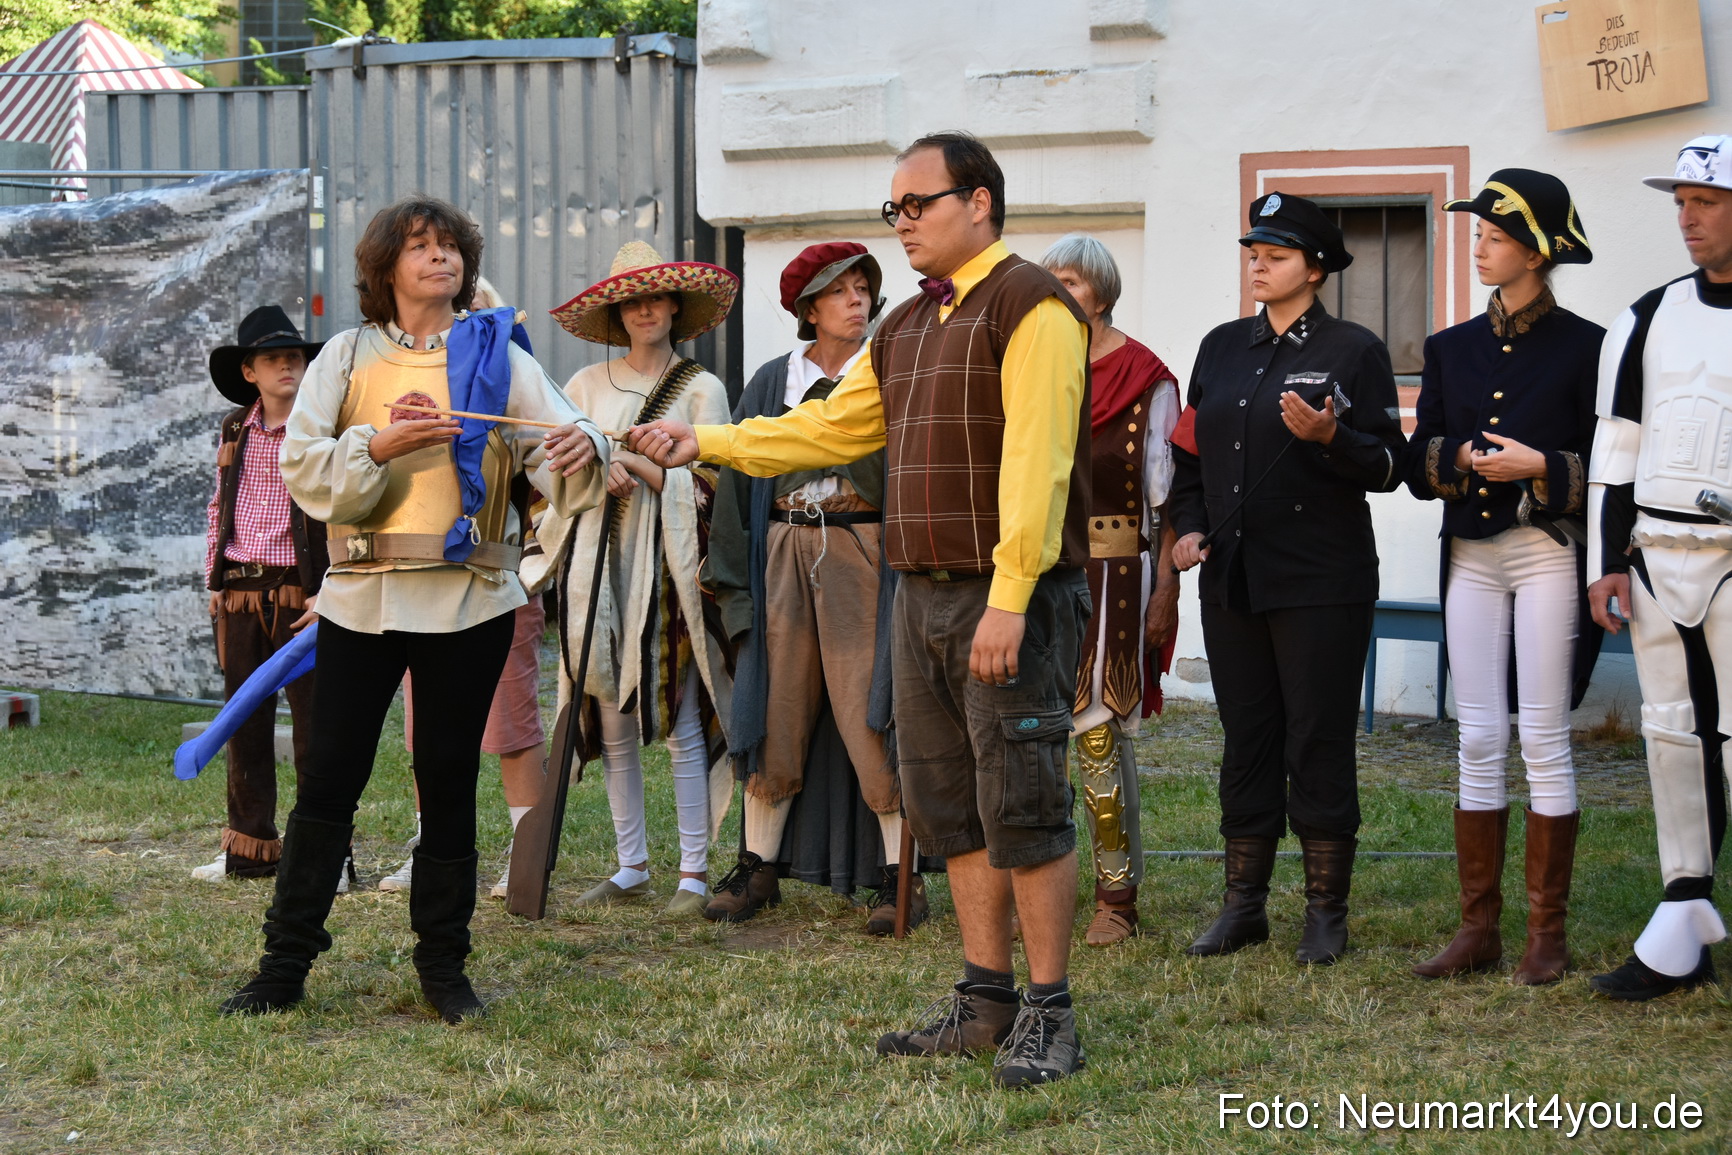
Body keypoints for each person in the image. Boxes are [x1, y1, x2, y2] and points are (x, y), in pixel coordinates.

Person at [629, 130, 1094, 1088]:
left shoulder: (1032, 307)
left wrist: (1010, 600)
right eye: (895, 209)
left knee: (1025, 802)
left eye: (916, 205)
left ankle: (1050, 1010)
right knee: (949, 802)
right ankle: (985, 995)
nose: (902, 225)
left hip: (1008, 598)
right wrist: (703, 441)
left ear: (979, 203)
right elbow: (827, 426)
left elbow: (1041, 466)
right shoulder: (910, 329)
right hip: (915, 595)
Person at [220, 197, 605, 1023]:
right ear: (385, 267)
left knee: (448, 778)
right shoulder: (348, 356)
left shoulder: (495, 352)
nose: (441, 258)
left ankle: (443, 968)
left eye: (449, 247)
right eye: (420, 247)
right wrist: (380, 446)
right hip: (362, 600)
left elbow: (565, 439)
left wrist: (587, 446)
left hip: (470, 600)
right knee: (329, 780)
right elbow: (305, 464)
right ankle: (283, 965)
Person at [1170, 191, 1405, 966]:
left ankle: (1325, 911)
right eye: (1252, 252)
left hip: (1320, 579)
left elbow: (1389, 466)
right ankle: (1244, 906)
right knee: (1248, 738)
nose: (1257, 264)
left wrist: (1333, 434)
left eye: (1274, 253)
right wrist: (1188, 526)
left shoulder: (1354, 350)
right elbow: (1190, 455)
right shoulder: (1221, 346)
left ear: (1316, 266)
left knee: (1318, 737)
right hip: (1233, 576)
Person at [1405, 170, 1603, 985]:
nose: (1477, 246)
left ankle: (1545, 935)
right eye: (1478, 233)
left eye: (1491, 235)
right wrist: (1459, 458)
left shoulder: (1591, 345)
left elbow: (1612, 465)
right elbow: (1422, 462)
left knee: (1544, 735)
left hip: (1547, 549)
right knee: (1479, 735)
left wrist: (1540, 465)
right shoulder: (1450, 347)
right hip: (1472, 556)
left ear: (1535, 249)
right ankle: (1478, 928)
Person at [704, 241, 924, 933]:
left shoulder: (887, 374)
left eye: (864, 288)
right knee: (775, 706)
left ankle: (900, 878)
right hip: (781, 548)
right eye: (840, 291)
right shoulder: (773, 381)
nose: (857, 300)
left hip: (861, 549)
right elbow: (738, 492)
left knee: (871, 705)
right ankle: (757, 866)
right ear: (809, 309)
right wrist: (737, 593)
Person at [532, 241, 737, 918]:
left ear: (675, 305)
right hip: (601, 571)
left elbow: (714, 485)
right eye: (632, 300)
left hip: (671, 575)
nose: (646, 309)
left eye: (657, 297)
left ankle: (693, 872)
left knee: (678, 716)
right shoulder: (585, 386)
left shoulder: (702, 388)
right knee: (611, 716)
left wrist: (640, 467)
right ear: (617, 313)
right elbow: (553, 469)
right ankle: (631, 865)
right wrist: (595, 468)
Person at [1585, 135, 1732, 1000]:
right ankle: (1684, 915)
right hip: (1654, 557)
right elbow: (1617, 450)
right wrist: (1607, 560)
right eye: (1680, 200)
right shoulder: (1646, 314)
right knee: (1672, 734)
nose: (1687, 217)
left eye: (1704, 201)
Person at [381, 277, 551, 902]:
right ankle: (431, 848)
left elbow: (542, 478)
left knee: (509, 725)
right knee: (425, 727)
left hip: (498, 574)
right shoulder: (407, 377)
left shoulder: (512, 375)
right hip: (422, 580)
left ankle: (526, 858)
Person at [1039, 233, 1181, 947]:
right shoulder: (1035, 366)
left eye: (1072, 279)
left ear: (1101, 288)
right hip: (1041, 560)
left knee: (1095, 727)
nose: (1062, 290)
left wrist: (1169, 591)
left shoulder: (1144, 373)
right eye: (1053, 279)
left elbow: (1165, 496)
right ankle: (1038, 881)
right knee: (1036, 729)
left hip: (1119, 564)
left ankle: (1116, 897)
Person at [195, 306, 330, 883]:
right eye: (272, 359)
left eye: (294, 358)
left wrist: (334, 588)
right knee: (244, 721)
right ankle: (250, 849)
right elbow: (219, 506)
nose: (286, 367)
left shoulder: (324, 428)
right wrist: (214, 580)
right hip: (241, 591)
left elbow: (342, 511)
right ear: (249, 371)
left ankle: (322, 857)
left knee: (315, 729)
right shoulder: (234, 429)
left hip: (303, 594)